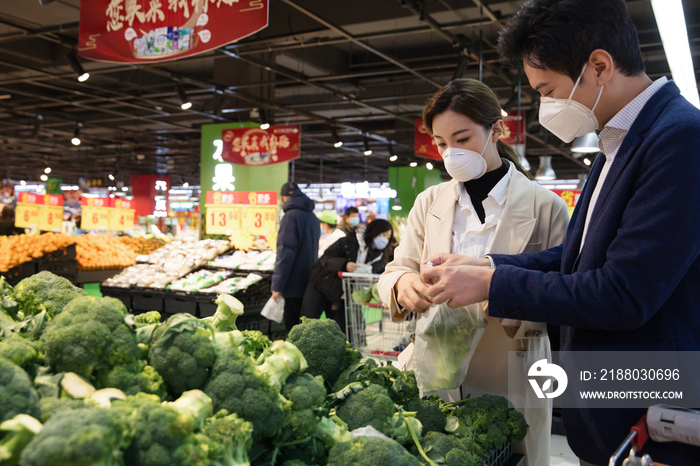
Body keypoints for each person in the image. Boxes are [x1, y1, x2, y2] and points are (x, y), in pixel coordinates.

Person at [418, 1, 700, 465]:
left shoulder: (678, 139)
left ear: (599, 66)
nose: (545, 105)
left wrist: (493, 283)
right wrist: (490, 266)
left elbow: (623, 292)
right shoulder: (618, 144)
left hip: (652, 406)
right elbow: (576, 256)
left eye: (548, 90)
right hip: (612, 403)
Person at [377, 78, 569, 465]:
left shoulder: (546, 206)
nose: (451, 153)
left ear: (496, 130)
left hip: (514, 364)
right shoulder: (429, 201)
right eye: (441, 143)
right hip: (437, 361)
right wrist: (403, 285)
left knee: (514, 454)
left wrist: (495, 289)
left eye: (462, 138)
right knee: (439, 451)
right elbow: (396, 267)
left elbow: (562, 288)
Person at [301, 219, 394, 335]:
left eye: (388, 236)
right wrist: (344, 265)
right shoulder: (348, 242)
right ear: (374, 232)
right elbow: (326, 259)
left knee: (338, 333)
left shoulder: (379, 258)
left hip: (340, 296)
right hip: (320, 286)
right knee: (307, 325)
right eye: (383, 234)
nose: (385, 239)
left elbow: (379, 274)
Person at [271, 182, 320, 331]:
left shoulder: (290, 217)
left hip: (293, 283)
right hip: (309, 280)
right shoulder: (312, 217)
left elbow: (285, 253)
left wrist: (277, 286)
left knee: (293, 329)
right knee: (304, 328)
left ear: (282, 198)